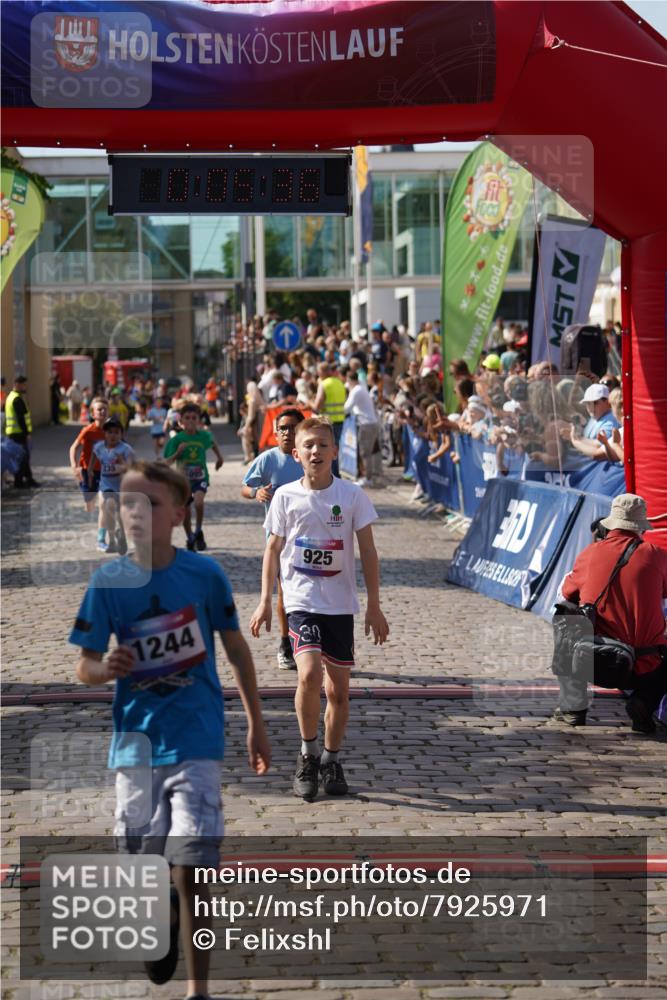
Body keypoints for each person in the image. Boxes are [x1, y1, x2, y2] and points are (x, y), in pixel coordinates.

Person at [70, 459, 270, 1000]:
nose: (136, 512)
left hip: (197, 738)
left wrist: (255, 722)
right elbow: (83, 665)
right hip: (134, 746)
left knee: (195, 861)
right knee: (140, 863)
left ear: (179, 514)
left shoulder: (205, 576)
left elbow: (235, 650)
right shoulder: (108, 582)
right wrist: (103, 668)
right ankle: (163, 912)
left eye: (150, 503)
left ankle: (197, 988)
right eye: (127, 502)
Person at [250, 416, 389, 802]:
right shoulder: (285, 496)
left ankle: (331, 758)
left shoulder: (352, 496)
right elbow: (273, 550)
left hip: (340, 605)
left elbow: (369, 551)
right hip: (301, 601)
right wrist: (264, 601)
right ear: (296, 453)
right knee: (308, 675)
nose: (315, 451)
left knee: (339, 692)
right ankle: (307, 753)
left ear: (333, 451)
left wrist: (374, 606)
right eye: (307, 445)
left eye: (322, 445)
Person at [551, 493, 667, 733]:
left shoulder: (591, 552)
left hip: (594, 661)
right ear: (640, 528)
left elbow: (567, 591)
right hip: (645, 667)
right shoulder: (657, 555)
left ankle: (573, 706)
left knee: (566, 614)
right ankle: (644, 702)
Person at [241, 408, 305, 671]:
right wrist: (256, 492)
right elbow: (245, 487)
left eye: (293, 428)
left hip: (309, 537)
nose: (288, 433)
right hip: (278, 538)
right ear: (276, 433)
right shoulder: (268, 459)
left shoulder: (311, 457)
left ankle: (310, 640)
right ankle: (286, 643)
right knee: (285, 593)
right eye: (283, 428)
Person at [163, 402, 224, 552]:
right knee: (186, 510)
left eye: (194, 418)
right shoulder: (177, 439)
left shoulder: (204, 436)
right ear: (180, 421)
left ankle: (198, 530)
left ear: (198, 420)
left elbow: (213, 442)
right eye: (187, 418)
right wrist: (178, 453)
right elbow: (166, 462)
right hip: (183, 481)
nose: (190, 421)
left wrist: (220, 458)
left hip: (200, 478)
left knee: (198, 502)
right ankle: (190, 536)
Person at [90, 418, 135, 553]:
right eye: (109, 432)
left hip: (121, 485)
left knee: (120, 514)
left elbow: (132, 468)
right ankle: (111, 540)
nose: (113, 435)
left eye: (116, 432)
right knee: (107, 505)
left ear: (122, 434)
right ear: (104, 433)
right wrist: (90, 468)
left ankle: (121, 537)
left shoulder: (126, 449)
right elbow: (93, 454)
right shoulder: (99, 446)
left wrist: (122, 463)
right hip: (106, 483)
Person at [69, 398, 109, 538]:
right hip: (88, 471)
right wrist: (74, 467)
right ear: (93, 414)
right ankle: (84, 487)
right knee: (89, 506)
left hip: (105, 471)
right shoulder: (87, 431)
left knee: (103, 502)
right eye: (99, 409)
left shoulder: (111, 431)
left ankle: (101, 534)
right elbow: (73, 448)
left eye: (105, 409)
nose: (103, 411)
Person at [344, 370, 383, 487]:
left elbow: (346, 408)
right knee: (372, 451)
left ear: (349, 380)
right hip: (370, 423)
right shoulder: (361, 388)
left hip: (366, 424)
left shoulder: (356, 391)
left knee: (365, 452)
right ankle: (372, 476)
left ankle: (368, 478)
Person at [5, 375, 40, 488]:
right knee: (23, 457)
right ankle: (21, 482)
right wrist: (27, 434)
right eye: (24, 385)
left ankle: (23, 480)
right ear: (17, 385)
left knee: (20, 457)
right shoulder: (16, 399)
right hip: (18, 433)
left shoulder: (10, 397)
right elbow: (21, 419)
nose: (25, 387)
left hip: (13, 433)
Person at [312, 362, 346, 476]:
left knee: (328, 449)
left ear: (321, 372)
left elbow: (317, 406)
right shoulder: (340, 383)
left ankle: (334, 475)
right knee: (336, 447)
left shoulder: (324, 384)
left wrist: (308, 402)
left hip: (327, 421)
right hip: (340, 420)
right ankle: (336, 474)